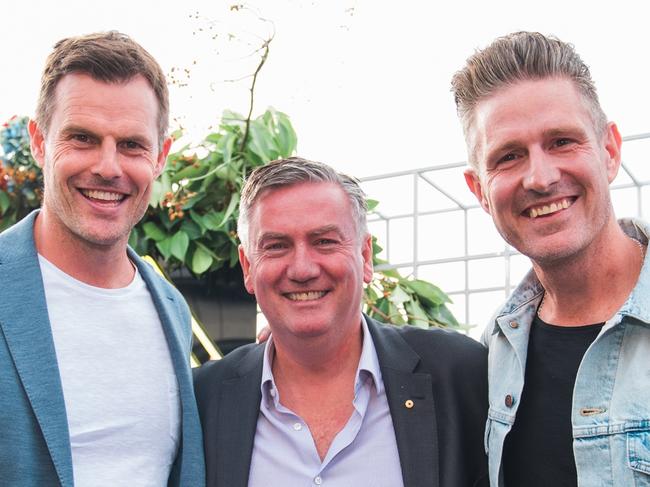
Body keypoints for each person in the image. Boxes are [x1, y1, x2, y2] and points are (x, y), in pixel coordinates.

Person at [193, 157, 488, 487]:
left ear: (365, 257)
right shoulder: (203, 401)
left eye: (324, 241)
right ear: (247, 266)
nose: (302, 269)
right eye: (276, 246)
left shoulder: (457, 375)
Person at [0, 32, 204, 486]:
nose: (108, 167)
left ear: (160, 157)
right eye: (83, 138)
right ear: (39, 142)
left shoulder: (171, 309)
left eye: (132, 144)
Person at [452, 31, 650, 486]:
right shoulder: (495, 352)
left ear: (610, 150)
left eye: (561, 141)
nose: (539, 178)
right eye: (509, 156)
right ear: (480, 190)